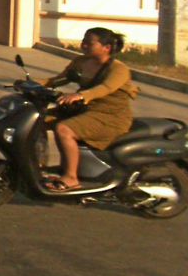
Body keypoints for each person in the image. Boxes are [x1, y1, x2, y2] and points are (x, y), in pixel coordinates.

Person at [43, 27, 138, 191]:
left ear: (106, 47)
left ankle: (71, 178)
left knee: (64, 129)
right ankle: (43, 166)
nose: (84, 45)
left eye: (89, 43)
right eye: (83, 41)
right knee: (40, 119)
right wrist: (30, 83)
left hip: (110, 117)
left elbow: (106, 88)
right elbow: (58, 80)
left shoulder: (118, 69)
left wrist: (81, 95)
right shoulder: (81, 62)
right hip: (86, 110)